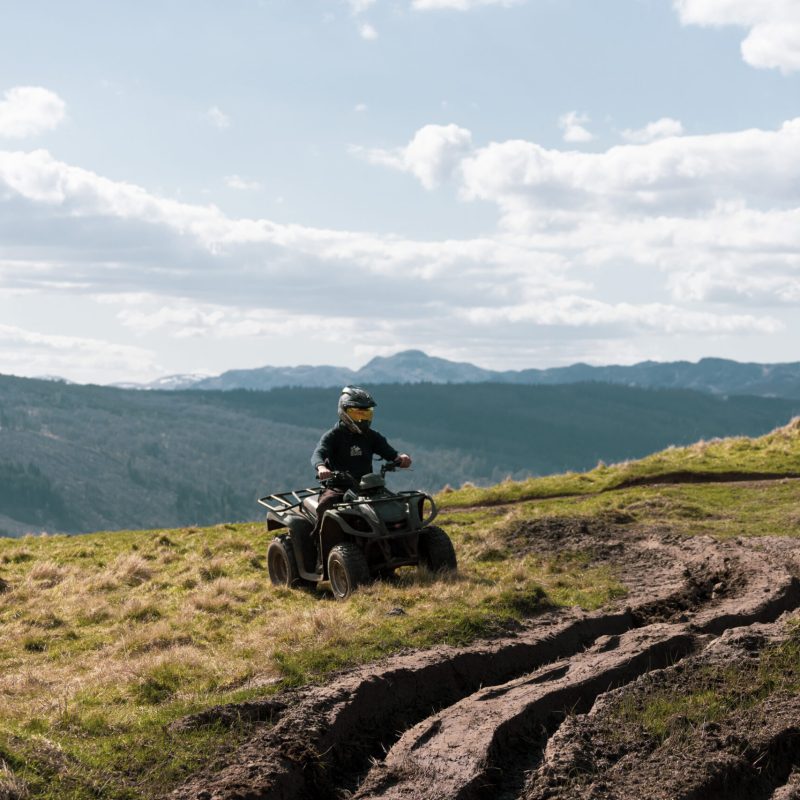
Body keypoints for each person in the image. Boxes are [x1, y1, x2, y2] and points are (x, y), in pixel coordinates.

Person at [309, 385, 411, 539]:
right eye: (357, 414)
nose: (362, 419)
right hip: (339, 487)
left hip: (368, 486)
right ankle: (318, 541)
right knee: (326, 504)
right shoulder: (333, 436)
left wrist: (400, 458)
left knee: (397, 505)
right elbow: (318, 453)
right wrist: (321, 467)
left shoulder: (371, 436)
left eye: (366, 414)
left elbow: (389, 452)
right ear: (344, 412)